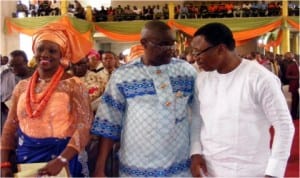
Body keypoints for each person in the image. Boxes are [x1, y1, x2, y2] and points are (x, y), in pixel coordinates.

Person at [91, 20, 197, 177]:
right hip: (136, 167)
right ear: (144, 43)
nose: (170, 49)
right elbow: (109, 123)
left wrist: (197, 154)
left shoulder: (186, 71)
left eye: (171, 43)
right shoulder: (123, 76)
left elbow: (199, 115)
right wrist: (100, 168)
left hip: (179, 166)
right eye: (162, 44)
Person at [189, 22, 295, 177]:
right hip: (210, 168)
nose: (195, 58)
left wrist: (273, 173)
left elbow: (284, 126)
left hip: (249, 170)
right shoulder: (202, 79)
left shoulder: (260, 78)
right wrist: (196, 153)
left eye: (199, 53)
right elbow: (198, 118)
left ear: (220, 49)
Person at [0, 22, 93, 177]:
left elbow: (84, 127)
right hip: (26, 158)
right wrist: (4, 162)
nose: (45, 54)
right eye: (40, 49)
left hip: (62, 157)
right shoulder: (22, 87)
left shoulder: (74, 85)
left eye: (52, 50)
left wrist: (61, 160)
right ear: (34, 51)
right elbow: (10, 126)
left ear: (61, 54)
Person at [1, 50, 32, 132]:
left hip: (27, 119)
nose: (14, 69)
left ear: (26, 62)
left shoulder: (36, 76)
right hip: (5, 115)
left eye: (18, 65)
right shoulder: (5, 75)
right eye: (11, 66)